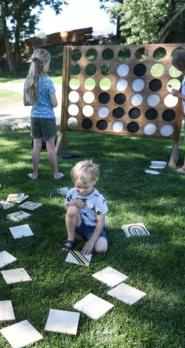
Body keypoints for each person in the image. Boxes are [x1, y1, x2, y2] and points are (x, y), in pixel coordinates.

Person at [24, 48, 63, 180]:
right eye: (48, 63)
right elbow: (55, 103)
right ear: (44, 64)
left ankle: (34, 174)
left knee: (36, 146)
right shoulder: (48, 82)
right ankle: (56, 174)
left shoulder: (28, 81)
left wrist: (37, 102)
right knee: (50, 147)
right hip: (47, 118)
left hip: (35, 117)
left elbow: (26, 102)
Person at [61, 160, 108, 255]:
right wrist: (72, 204)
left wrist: (91, 242)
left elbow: (100, 222)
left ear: (94, 181)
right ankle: (71, 239)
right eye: (78, 186)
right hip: (80, 224)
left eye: (86, 187)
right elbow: (67, 209)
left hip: (94, 228)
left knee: (101, 249)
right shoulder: (72, 192)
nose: (81, 191)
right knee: (72, 209)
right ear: (74, 181)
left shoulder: (98, 199)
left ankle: (93, 238)